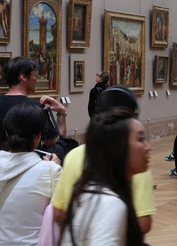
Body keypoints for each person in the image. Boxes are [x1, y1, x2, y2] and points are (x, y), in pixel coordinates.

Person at [56, 110, 151, 246]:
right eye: (140, 139)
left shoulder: (92, 189)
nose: (148, 146)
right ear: (119, 149)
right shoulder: (109, 203)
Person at [52, 86, 156, 235]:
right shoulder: (135, 160)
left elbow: (59, 212)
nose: (147, 147)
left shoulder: (74, 156)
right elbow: (143, 223)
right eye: (140, 138)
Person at [0, 104, 62, 246]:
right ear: (38, 137)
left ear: (7, 132)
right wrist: (57, 168)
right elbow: (62, 214)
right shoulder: (51, 171)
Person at [0, 57, 67, 156]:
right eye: (35, 75)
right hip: (28, 169)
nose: (36, 80)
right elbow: (54, 143)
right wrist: (61, 112)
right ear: (23, 77)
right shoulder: (36, 108)